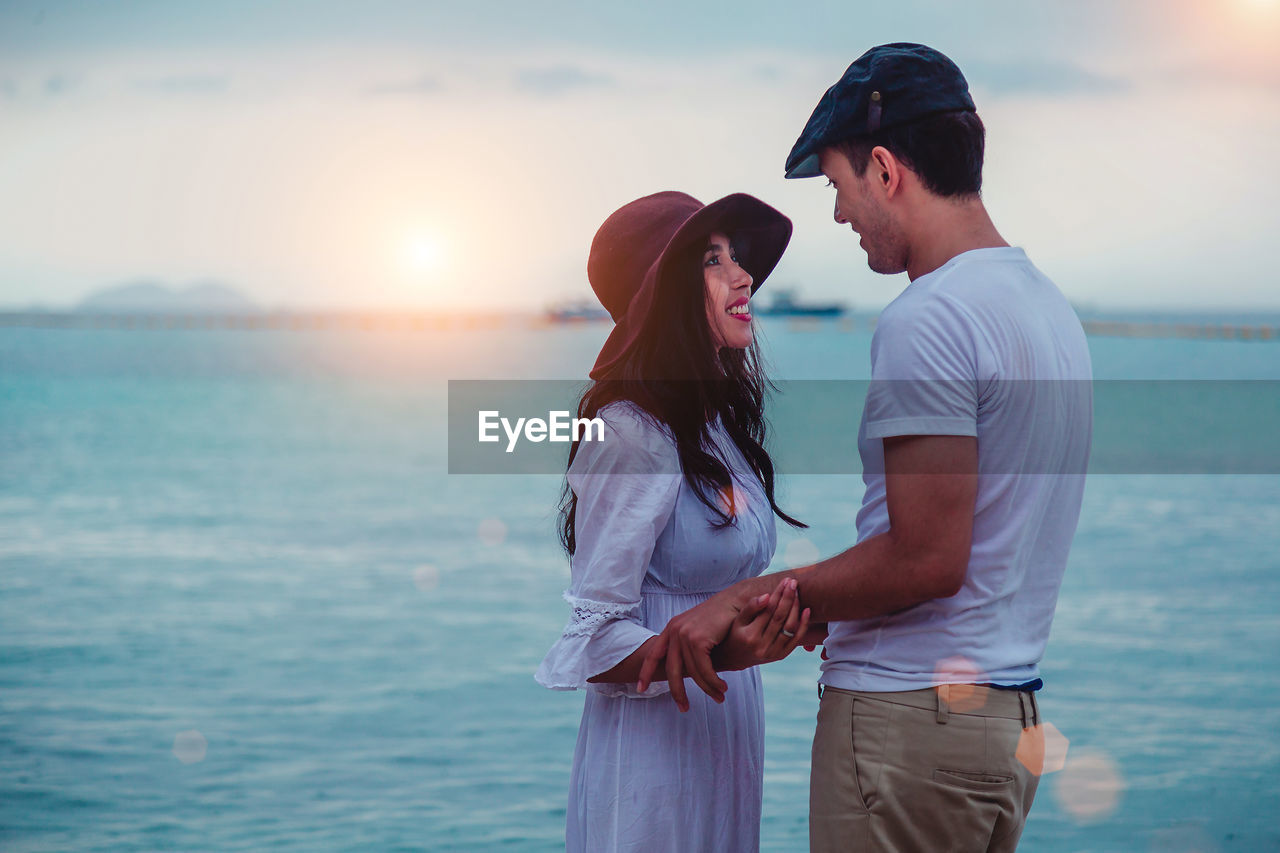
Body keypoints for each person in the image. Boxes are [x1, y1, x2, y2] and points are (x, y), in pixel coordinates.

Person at [637, 44, 1094, 852]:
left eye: (840, 188)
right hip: (1003, 722)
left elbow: (926, 559)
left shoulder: (931, 317)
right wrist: (825, 603)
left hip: (905, 729)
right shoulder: (1048, 312)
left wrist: (741, 599)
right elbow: (980, 546)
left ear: (885, 169)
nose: (841, 215)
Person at [535, 190, 818, 852]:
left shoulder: (714, 428)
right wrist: (731, 648)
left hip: (720, 737)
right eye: (713, 260)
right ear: (664, 296)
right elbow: (593, 640)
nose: (744, 275)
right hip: (651, 757)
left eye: (736, 256)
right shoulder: (632, 435)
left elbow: (725, 590)